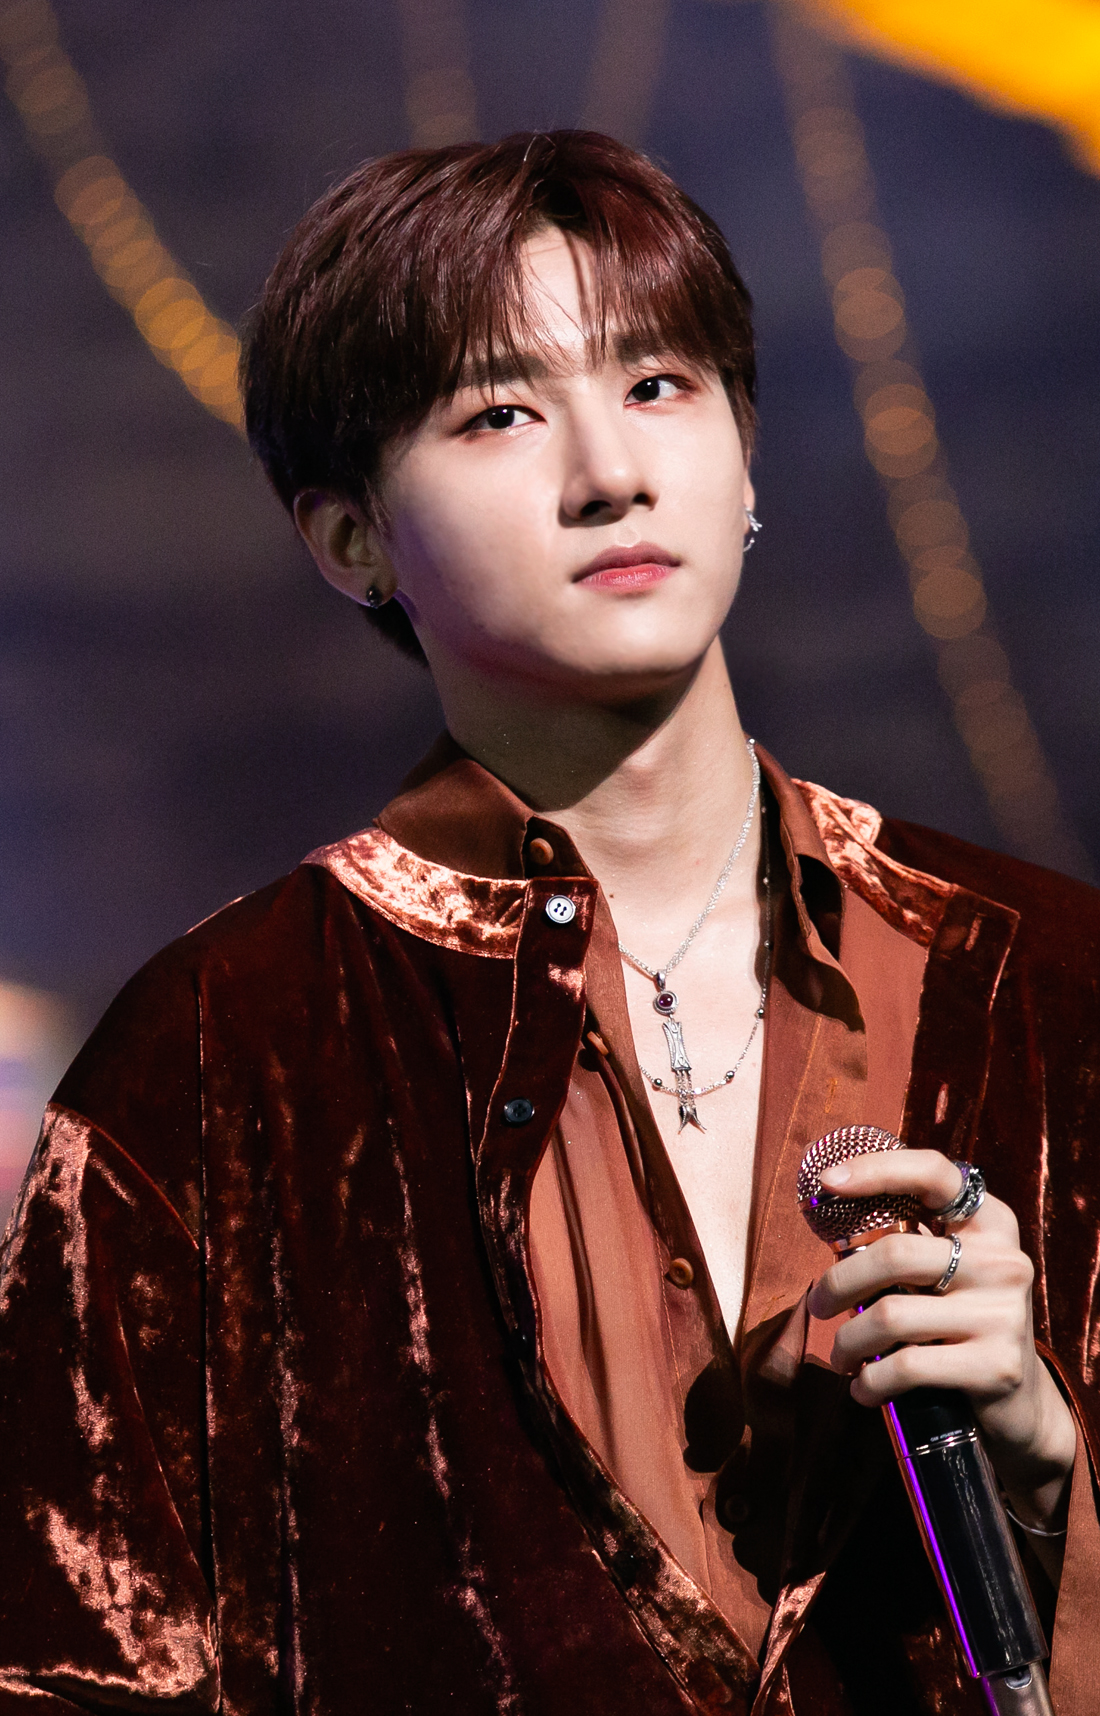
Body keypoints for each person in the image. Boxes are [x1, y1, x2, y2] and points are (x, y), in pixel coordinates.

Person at [0, 131, 1097, 1716]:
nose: (610, 472)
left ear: (746, 457)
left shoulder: (1049, 982)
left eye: (658, 385)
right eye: (500, 414)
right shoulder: (223, 1059)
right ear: (350, 538)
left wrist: (1048, 1473)